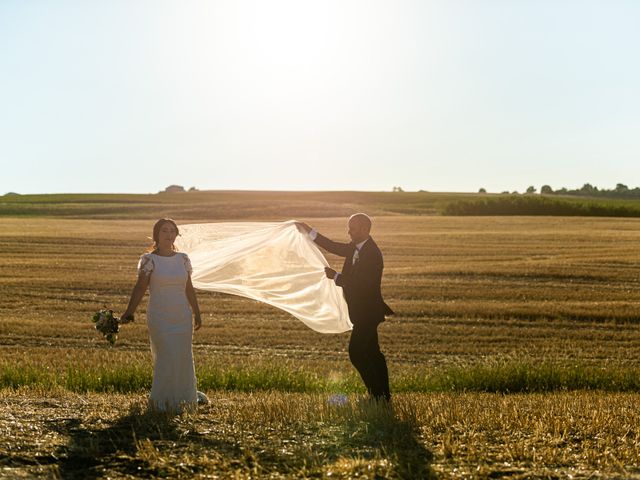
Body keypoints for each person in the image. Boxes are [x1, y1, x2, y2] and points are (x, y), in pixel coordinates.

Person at [296, 213, 394, 402]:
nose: (349, 231)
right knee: (373, 353)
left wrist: (336, 277)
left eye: (353, 228)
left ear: (365, 229)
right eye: (349, 227)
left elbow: (362, 284)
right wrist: (308, 231)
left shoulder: (372, 253)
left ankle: (377, 395)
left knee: (356, 353)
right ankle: (383, 395)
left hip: (368, 312)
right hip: (361, 312)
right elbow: (333, 246)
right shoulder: (354, 248)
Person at [121, 218, 206, 412]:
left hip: (181, 315)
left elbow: (189, 288)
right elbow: (140, 287)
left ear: (176, 235)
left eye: (172, 231)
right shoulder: (149, 259)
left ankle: (184, 400)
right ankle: (161, 402)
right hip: (159, 315)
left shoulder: (183, 258)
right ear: (156, 235)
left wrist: (197, 312)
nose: (168, 235)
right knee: (166, 355)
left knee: (182, 356)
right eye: (164, 231)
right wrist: (129, 311)